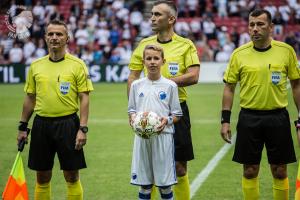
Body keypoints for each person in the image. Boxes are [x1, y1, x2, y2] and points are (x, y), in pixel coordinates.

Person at [220, 9, 300, 200]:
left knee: (280, 171)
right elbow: (229, 88)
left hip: (278, 117)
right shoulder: (239, 54)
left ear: (271, 27)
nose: (255, 29)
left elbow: (296, 85)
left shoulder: (286, 51)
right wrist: (225, 121)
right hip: (249, 118)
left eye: (260, 24)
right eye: (251, 24)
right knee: (249, 171)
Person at [127, 1, 200, 199]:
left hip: (176, 112)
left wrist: (164, 84)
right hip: (145, 113)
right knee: (147, 169)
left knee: (180, 167)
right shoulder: (144, 44)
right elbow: (133, 77)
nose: (152, 18)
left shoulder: (186, 45)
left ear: (171, 19)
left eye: (158, 14)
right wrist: (132, 112)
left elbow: (194, 75)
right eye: (152, 14)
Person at [17, 19, 94, 200]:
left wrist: (82, 129)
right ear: (45, 37)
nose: (54, 37)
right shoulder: (36, 65)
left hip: (68, 123)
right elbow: (30, 97)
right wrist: (22, 126)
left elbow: (84, 97)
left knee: (71, 175)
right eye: (50, 34)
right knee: (42, 176)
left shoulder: (77, 64)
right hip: (41, 124)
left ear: (67, 38)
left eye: (59, 34)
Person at [128, 44, 182, 200]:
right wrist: (133, 119)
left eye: (156, 58)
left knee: (165, 186)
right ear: (143, 61)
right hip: (142, 139)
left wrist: (167, 120)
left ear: (163, 61)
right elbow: (131, 109)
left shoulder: (170, 85)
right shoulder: (136, 85)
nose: (152, 62)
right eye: (149, 58)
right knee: (144, 185)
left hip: (163, 137)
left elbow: (177, 114)